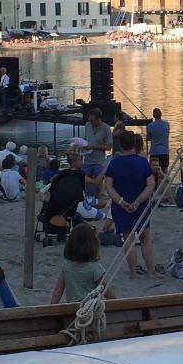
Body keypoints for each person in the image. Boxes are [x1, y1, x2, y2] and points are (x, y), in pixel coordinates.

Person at [101, 129, 157, 279]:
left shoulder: (114, 163)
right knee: (145, 237)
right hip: (140, 204)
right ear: (134, 144)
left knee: (128, 239)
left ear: (121, 145)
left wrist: (121, 202)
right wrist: (138, 202)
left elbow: (108, 186)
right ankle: (151, 271)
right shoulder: (142, 162)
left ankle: (133, 273)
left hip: (122, 206)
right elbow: (151, 184)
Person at [50, 223, 114, 305]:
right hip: (90, 308)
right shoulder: (95, 268)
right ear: (93, 246)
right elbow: (107, 293)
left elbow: (58, 291)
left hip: (73, 308)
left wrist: (51, 308)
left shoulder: (66, 267)